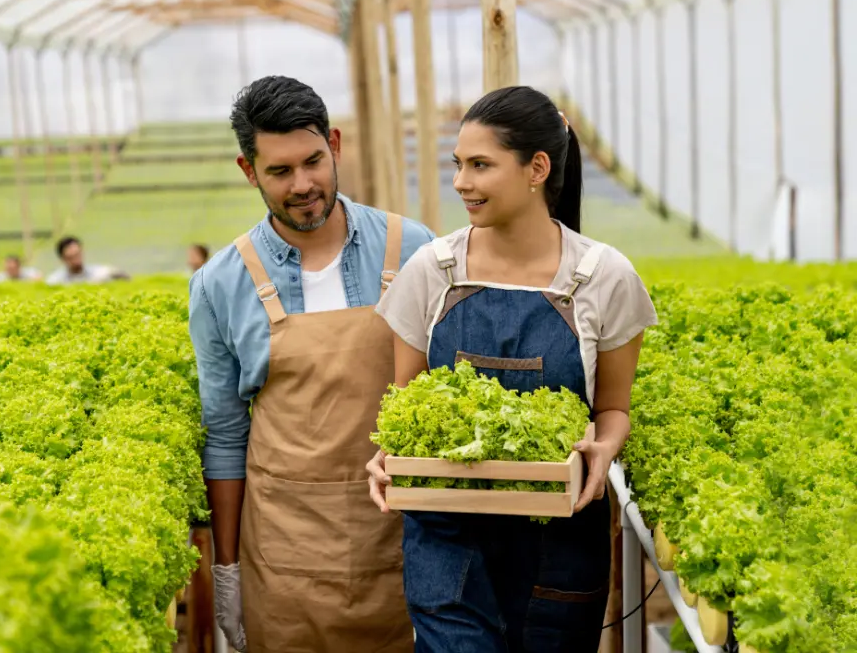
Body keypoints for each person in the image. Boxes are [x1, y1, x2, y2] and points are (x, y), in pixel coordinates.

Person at [365, 86, 659, 652]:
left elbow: (613, 409)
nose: (461, 182)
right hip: (446, 540)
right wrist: (387, 455)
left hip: (559, 543)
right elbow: (405, 407)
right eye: (458, 165)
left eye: (480, 165)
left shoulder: (603, 277)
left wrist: (604, 447)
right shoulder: (434, 270)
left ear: (537, 168)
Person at [189, 75, 434, 653]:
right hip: (286, 556)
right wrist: (227, 569)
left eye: (313, 161)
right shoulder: (220, 284)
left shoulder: (417, 250)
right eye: (279, 171)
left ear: (336, 146)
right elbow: (225, 437)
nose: (303, 185)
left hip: (404, 541)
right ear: (249, 171)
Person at [45, 236, 128, 285]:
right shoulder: (55, 280)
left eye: (78, 255)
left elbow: (118, 273)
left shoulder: (96, 272)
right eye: (71, 257)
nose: (76, 260)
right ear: (62, 259)